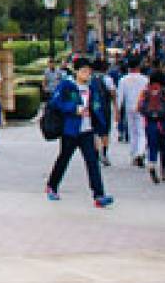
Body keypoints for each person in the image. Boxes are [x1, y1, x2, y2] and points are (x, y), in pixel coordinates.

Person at [45, 58, 115, 208]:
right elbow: (55, 102)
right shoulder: (67, 85)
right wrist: (73, 108)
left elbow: (97, 107)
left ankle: (99, 195)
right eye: (83, 71)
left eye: (89, 71)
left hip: (87, 131)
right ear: (76, 71)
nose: (87, 74)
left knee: (92, 162)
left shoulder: (92, 87)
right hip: (70, 130)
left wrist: (100, 130)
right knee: (64, 159)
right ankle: (52, 185)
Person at [139, 70, 165, 184]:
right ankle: (164, 171)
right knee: (163, 147)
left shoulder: (145, 92)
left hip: (150, 123)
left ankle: (152, 164)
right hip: (164, 123)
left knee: (151, 145)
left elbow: (138, 107)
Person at [117, 64, 150, 167]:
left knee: (132, 131)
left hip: (129, 108)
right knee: (142, 131)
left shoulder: (123, 80)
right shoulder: (145, 79)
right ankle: (140, 152)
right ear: (139, 67)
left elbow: (120, 96)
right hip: (141, 107)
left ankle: (134, 154)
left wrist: (117, 110)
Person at [92, 59, 116, 166]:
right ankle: (104, 153)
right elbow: (113, 93)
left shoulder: (89, 79)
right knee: (105, 132)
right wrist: (116, 107)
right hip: (104, 108)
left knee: (94, 132)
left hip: (92, 108)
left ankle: (95, 154)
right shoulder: (107, 79)